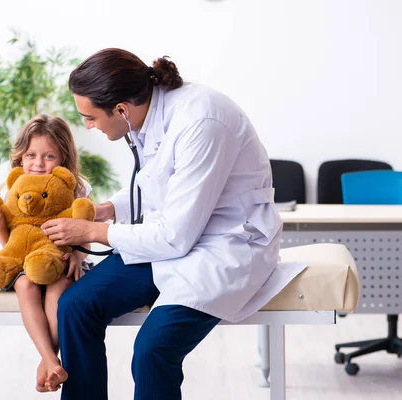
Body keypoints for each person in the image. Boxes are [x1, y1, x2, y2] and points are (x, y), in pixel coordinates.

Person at [40, 48, 305, 399]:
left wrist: (93, 232)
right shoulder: (148, 112)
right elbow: (158, 181)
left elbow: (176, 237)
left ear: (121, 108)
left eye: (90, 117)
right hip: (172, 240)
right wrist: (108, 208)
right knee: (75, 306)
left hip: (223, 248)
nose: (88, 126)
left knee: (152, 350)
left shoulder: (202, 122)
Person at [0, 114, 93, 392]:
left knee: (56, 289)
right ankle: (51, 359)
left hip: (61, 261)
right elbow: (13, 244)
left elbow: (86, 230)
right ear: (20, 157)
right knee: (26, 283)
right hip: (27, 264)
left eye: (49, 156)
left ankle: (47, 361)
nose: (38, 163)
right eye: (31, 155)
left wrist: (77, 256)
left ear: (64, 158)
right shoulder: (15, 189)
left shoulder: (75, 189)